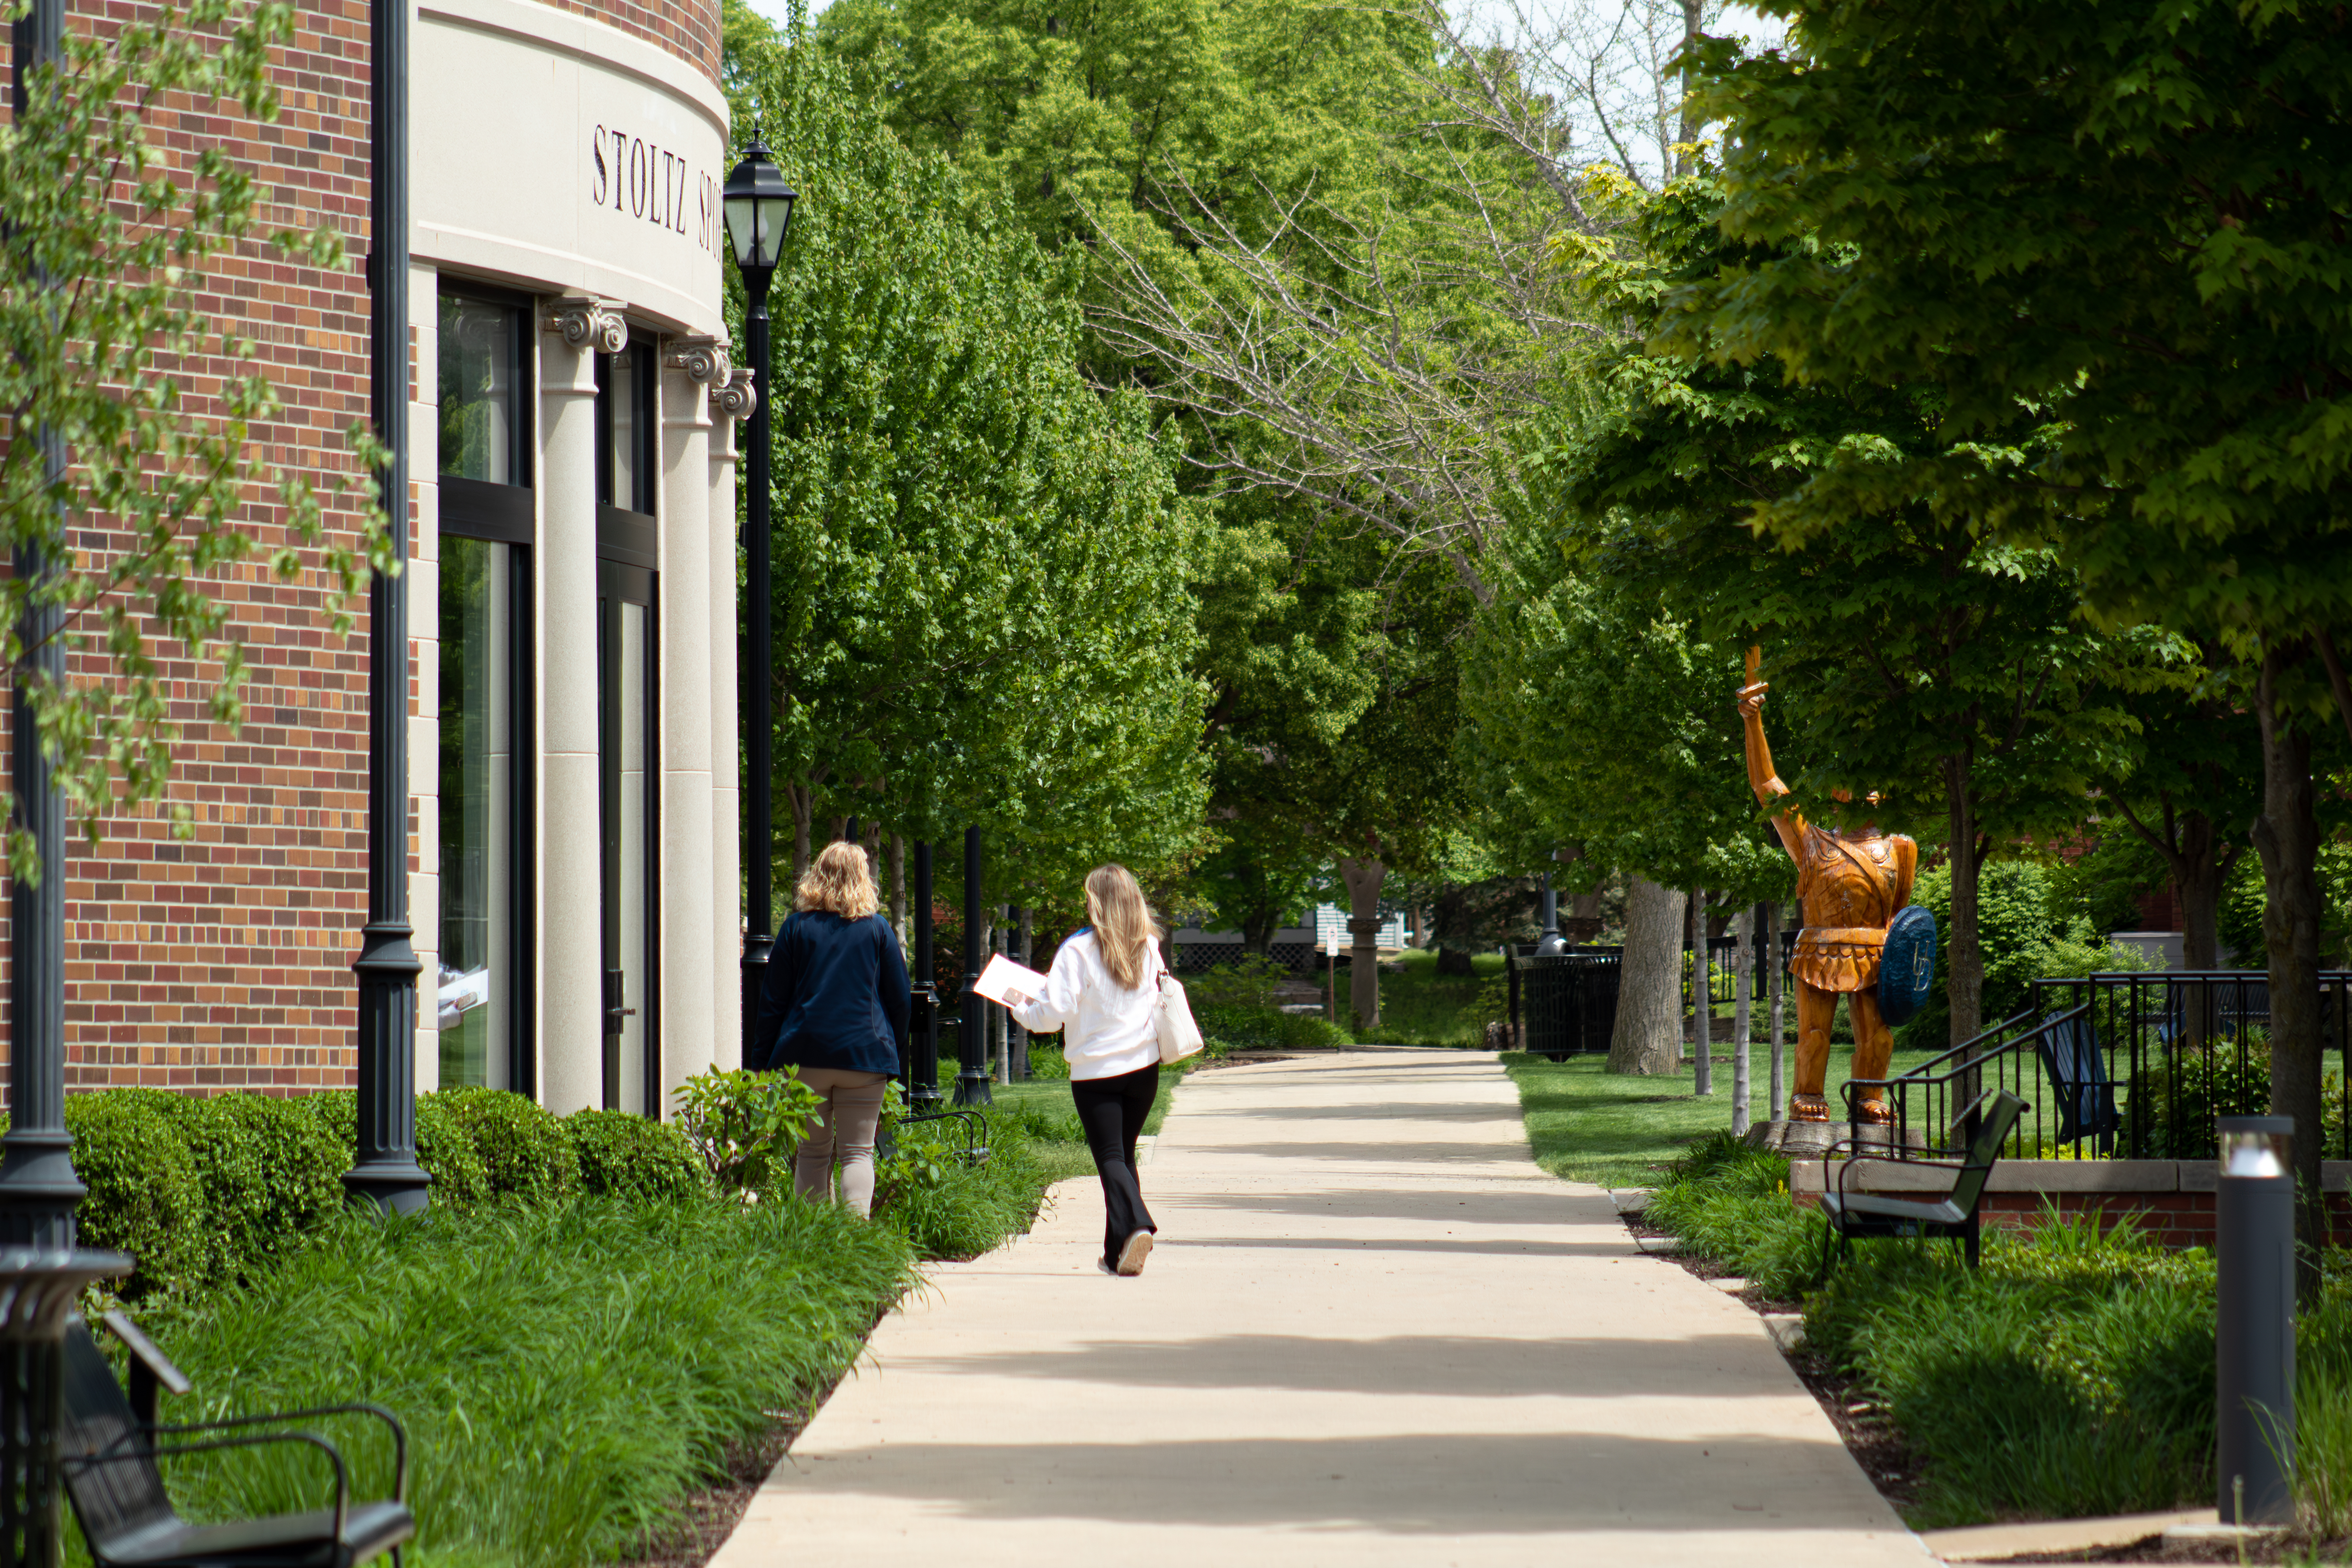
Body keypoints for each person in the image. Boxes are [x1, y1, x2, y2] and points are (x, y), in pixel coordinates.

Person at [1738, 663, 1916, 1124]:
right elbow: (1767, 787)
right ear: (1837, 792)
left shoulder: (1900, 848)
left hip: (1875, 953)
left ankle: (1869, 1096)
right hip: (1820, 951)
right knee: (1815, 1035)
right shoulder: (1811, 840)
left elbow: (1899, 918)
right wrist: (1752, 720)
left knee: (1877, 1038)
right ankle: (1807, 1093)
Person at [1008, 864, 1164, 1276]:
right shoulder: (1148, 944)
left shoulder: (1077, 951)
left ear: (1094, 901)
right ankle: (1119, 1255)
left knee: (1111, 1157)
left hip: (1097, 1071)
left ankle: (1138, 1224)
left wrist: (1017, 1005)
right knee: (1124, 1157)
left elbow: (1053, 1014)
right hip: (1144, 1068)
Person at [755, 839, 910, 1216]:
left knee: (812, 1152)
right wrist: (894, 1052)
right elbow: (900, 999)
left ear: (817, 876)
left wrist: (760, 1064)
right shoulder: (877, 930)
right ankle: (855, 1244)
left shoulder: (795, 928)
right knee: (858, 1152)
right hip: (864, 1056)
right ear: (864, 879)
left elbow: (772, 1002)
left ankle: (814, 1244)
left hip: (805, 1055)